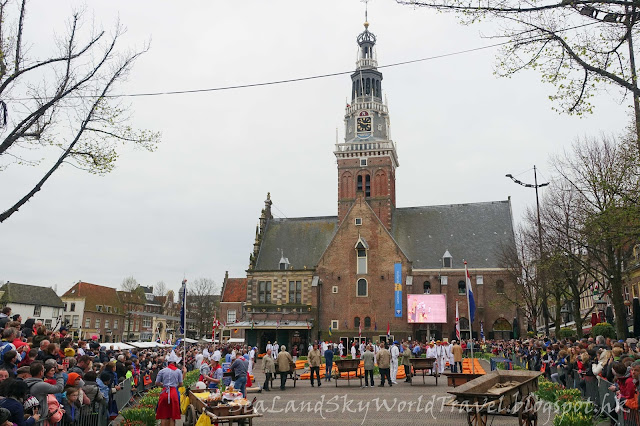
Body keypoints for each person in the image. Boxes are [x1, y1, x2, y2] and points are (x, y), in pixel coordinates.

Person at [155, 351, 184, 426]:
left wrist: (164, 385)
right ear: (175, 363)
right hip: (174, 393)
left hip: (165, 393)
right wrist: (175, 386)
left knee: (163, 416)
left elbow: (157, 383)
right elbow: (181, 384)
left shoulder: (162, 371)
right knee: (172, 417)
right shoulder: (178, 371)